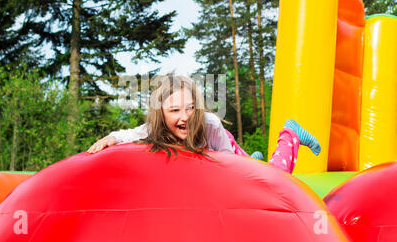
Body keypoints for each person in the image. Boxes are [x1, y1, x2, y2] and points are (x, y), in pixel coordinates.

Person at [87, 75, 320, 174]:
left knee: (274, 176)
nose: (185, 116)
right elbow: (127, 134)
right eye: (175, 110)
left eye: (190, 108)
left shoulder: (208, 123)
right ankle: (254, 159)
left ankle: (290, 133)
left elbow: (231, 165)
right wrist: (111, 139)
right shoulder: (155, 128)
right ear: (160, 114)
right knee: (250, 164)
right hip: (219, 147)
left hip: (221, 145)